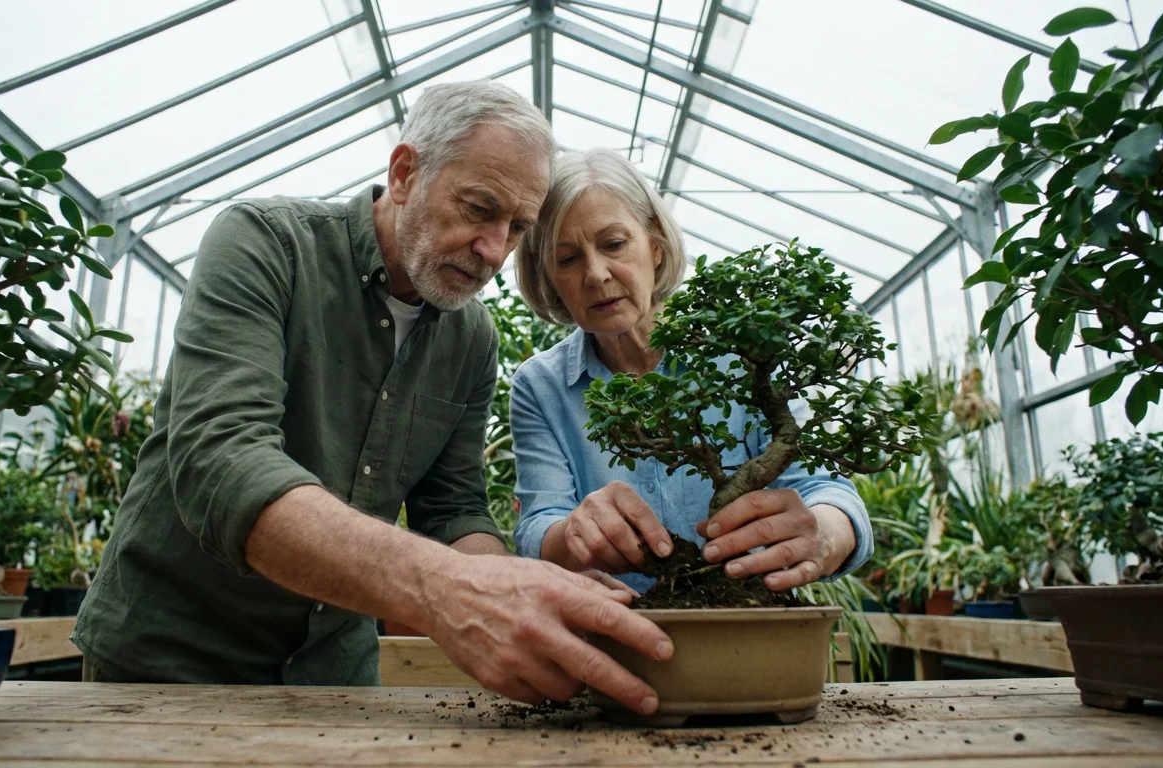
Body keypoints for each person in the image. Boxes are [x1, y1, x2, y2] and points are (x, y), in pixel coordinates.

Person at [73, 84, 672, 715]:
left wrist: (517, 584)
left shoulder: (471, 338)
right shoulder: (266, 245)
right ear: (406, 172)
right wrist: (446, 588)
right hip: (171, 663)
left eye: (517, 228)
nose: (495, 250)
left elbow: (453, 508)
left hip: (335, 674)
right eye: (478, 209)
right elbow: (222, 462)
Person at [510, 148, 873, 592]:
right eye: (567, 259)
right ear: (548, 277)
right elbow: (537, 527)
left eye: (614, 244)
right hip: (613, 632)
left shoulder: (745, 352)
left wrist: (824, 533)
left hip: (755, 629)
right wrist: (570, 534)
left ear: (656, 248)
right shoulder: (540, 387)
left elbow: (828, 492)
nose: (596, 274)